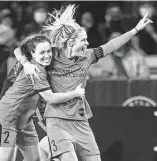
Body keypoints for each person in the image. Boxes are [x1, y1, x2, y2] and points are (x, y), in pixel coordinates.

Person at [14, 4, 152, 161]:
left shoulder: (88, 56)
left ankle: (45, 149)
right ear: (71, 42)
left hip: (80, 120)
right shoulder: (52, 55)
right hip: (57, 120)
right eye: (83, 40)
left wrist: (135, 30)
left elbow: (111, 46)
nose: (87, 44)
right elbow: (19, 50)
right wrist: (26, 63)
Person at [0, 34, 85, 161]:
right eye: (42, 53)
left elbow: (18, 50)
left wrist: (25, 62)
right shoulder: (36, 72)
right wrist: (76, 93)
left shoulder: (36, 60)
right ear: (32, 54)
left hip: (25, 122)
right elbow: (50, 98)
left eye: (48, 51)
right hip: (6, 119)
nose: (47, 55)